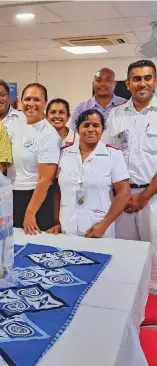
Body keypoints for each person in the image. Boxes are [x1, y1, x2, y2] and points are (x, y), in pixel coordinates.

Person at [103, 60, 157, 276]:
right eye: (136, 79)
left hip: (152, 198)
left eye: (147, 78)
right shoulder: (116, 114)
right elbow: (108, 153)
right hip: (121, 197)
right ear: (127, 84)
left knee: (154, 255)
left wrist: (144, 196)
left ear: (155, 81)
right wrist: (122, 193)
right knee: (124, 254)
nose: (142, 83)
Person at [47, 109, 130, 238]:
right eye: (85, 125)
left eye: (96, 125)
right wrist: (57, 222)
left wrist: (104, 225)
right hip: (66, 229)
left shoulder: (113, 154)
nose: (91, 129)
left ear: (102, 129)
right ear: (77, 129)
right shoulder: (64, 152)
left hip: (98, 231)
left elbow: (124, 193)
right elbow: (58, 191)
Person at [9, 83, 61, 234]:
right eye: (27, 99)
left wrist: (30, 213)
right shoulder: (17, 129)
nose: (31, 104)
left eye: (36, 100)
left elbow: (46, 179)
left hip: (35, 200)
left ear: (45, 103)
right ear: (20, 102)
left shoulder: (48, 134)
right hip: (14, 196)